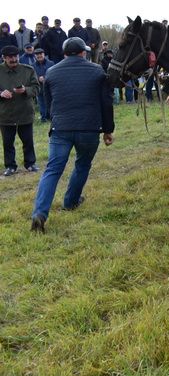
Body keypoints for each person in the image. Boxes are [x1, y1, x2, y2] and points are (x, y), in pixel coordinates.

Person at [30, 38, 114, 233]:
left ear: (64, 53)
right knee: (82, 164)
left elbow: (49, 102)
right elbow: (106, 103)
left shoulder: (51, 72)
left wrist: (56, 119)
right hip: (89, 128)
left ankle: (40, 213)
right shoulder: (97, 71)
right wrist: (108, 130)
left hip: (61, 128)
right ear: (83, 53)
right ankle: (70, 202)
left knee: (52, 170)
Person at [1, 45, 40, 176]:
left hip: (25, 112)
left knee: (28, 140)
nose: (13, 59)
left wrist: (25, 90)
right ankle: (10, 166)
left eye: (15, 56)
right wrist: (1, 93)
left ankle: (30, 163)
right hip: (5, 113)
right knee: (7, 142)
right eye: (10, 57)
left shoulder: (28, 70)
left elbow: (36, 88)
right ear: (4, 58)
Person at [32, 48, 54, 121]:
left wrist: (44, 77)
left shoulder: (51, 63)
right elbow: (32, 76)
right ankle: (43, 117)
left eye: (40, 54)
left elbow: (53, 74)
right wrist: (38, 78)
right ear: (35, 56)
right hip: (39, 88)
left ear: (44, 54)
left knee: (50, 102)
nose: (39, 56)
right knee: (41, 103)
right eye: (37, 54)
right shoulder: (32, 66)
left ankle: (51, 116)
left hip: (49, 87)